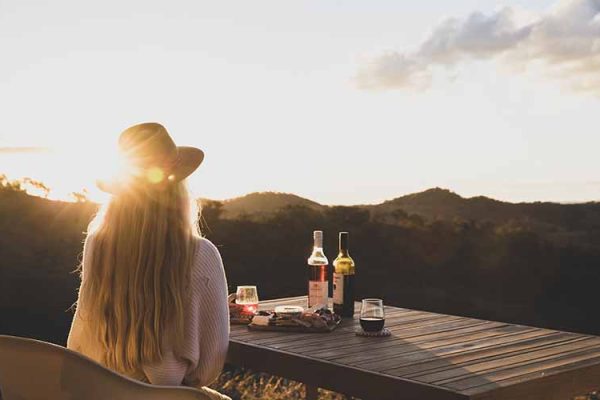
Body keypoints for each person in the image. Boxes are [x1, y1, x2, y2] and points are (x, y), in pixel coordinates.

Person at [67, 122, 230, 399]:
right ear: (178, 189)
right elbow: (208, 368)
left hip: (99, 392)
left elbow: (78, 343)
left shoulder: (98, 246)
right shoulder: (201, 255)